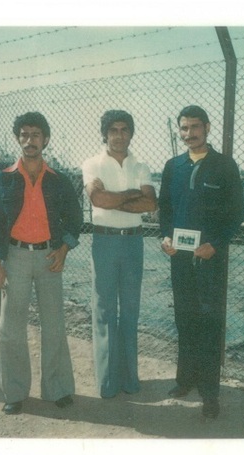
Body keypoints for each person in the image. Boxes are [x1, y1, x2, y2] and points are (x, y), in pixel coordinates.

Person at [0, 111, 82, 415]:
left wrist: (64, 249)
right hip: (15, 257)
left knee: (54, 325)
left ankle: (57, 389)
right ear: (18, 139)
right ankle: (13, 392)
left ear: (45, 140)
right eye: (24, 135)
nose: (30, 141)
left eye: (36, 135)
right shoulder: (3, 179)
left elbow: (75, 218)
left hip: (49, 257)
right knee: (11, 327)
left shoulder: (59, 181)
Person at [159, 105, 244, 418]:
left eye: (195, 127)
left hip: (210, 259)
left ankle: (210, 393)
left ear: (207, 128)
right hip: (180, 259)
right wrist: (166, 238)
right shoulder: (173, 166)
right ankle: (185, 380)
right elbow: (165, 211)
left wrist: (216, 245)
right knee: (184, 319)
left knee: (209, 323)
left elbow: (236, 215)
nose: (189, 133)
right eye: (184, 128)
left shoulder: (224, 166)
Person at [81, 110, 157, 399]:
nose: (119, 135)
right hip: (105, 241)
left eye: (124, 129)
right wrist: (130, 194)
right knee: (104, 310)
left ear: (131, 133)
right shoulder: (92, 164)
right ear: (105, 134)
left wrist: (114, 198)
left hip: (133, 242)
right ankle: (107, 382)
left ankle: (129, 379)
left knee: (130, 310)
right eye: (113, 130)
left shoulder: (141, 166)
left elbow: (150, 204)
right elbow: (98, 199)